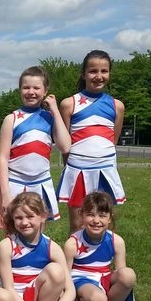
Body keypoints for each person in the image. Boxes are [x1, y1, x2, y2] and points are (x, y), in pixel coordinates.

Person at [57, 51, 126, 232]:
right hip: (78, 171)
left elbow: (113, 140)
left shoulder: (117, 106)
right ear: (84, 74)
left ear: (109, 73)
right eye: (93, 71)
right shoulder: (69, 104)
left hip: (105, 171)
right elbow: (64, 144)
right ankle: (75, 252)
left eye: (104, 71)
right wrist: (72, 166)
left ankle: (104, 252)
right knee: (78, 225)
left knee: (104, 224)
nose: (99, 76)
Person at [0, 66, 70, 224]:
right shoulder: (11, 119)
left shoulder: (50, 118)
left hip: (41, 184)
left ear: (45, 91)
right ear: (20, 90)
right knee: (13, 231)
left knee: (37, 230)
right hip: (16, 184)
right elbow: (2, 159)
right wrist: (5, 194)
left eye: (36, 88)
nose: (31, 92)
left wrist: (55, 111)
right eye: (26, 87)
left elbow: (65, 146)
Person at [0, 192, 75, 301]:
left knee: (56, 270)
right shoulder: (6, 245)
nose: (24, 222)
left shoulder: (52, 247)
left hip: (37, 296)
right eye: (19, 218)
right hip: (12, 299)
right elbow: (9, 288)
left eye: (30, 216)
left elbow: (70, 290)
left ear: (43, 216)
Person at [63, 191, 136, 301]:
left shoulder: (116, 241)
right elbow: (65, 276)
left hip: (104, 277)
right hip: (82, 280)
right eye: (90, 215)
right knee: (97, 299)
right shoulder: (72, 243)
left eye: (102, 216)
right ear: (82, 215)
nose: (96, 221)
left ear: (109, 218)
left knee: (128, 275)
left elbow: (121, 272)